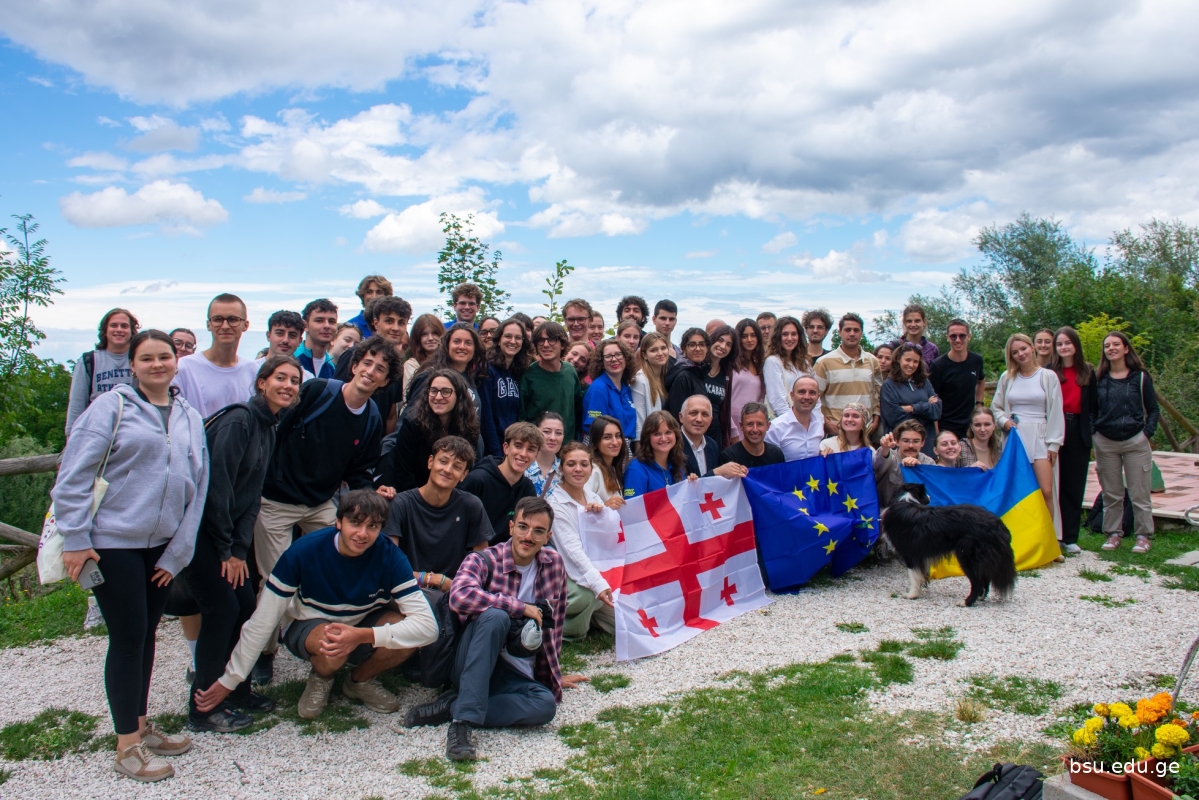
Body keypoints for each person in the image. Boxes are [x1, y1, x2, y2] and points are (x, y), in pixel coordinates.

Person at [54, 330, 209, 783]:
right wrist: (76, 538)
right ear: (133, 365)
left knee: (146, 636)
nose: (157, 364)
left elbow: (198, 486)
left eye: (165, 357)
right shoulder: (112, 407)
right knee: (127, 637)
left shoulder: (188, 415)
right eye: (147, 358)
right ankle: (126, 747)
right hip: (112, 542)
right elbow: (74, 474)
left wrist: (178, 552)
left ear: (176, 361)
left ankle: (139, 726)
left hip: (161, 547)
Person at [194, 491, 438, 722]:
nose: (362, 533)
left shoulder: (389, 555)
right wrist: (230, 680)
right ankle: (322, 677)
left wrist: (361, 635)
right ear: (338, 522)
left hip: (361, 624)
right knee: (332, 641)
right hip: (310, 624)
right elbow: (263, 620)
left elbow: (428, 628)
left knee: (409, 631)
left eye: (372, 526)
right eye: (355, 523)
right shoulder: (304, 551)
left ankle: (359, 680)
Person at [251, 337, 397, 683]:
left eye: (380, 369)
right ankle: (263, 652)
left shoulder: (371, 417)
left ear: (385, 381)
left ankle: (325, 640)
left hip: (319, 503)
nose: (371, 371)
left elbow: (359, 471)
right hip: (277, 499)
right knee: (274, 580)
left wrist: (371, 493)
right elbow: (278, 431)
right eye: (367, 363)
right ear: (355, 365)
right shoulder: (318, 391)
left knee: (338, 564)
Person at [183, 356, 301, 733]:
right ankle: (203, 707)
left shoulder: (268, 427)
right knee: (221, 610)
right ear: (261, 382)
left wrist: (238, 550)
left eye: (294, 380)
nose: (288, 385)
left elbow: (251, 497)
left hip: (227, 538)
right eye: (280, 378)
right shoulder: (240, 420)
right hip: (201, 533)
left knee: (247, 608)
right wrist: (226, 551)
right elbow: (215, 491)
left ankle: (236, 690)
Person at [403, 498, 569, 762]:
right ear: (511, 527)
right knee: (496, 616)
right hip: (470, 658)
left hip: (513, 670)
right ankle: (461, 725)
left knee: (545, 705)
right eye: (523, 527)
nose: (529, 536)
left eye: (538, 531)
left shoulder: (554, 564)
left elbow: (554, 627)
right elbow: (459, 596)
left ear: (548, 537)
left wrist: (554, 675)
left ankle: (454, 705)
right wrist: (518, 607)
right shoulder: (483, 559)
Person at [381, 436, 492, 586]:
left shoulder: (472, 505)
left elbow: (482, 564)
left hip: (454, 590)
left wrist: (455, 586)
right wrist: (430, 579)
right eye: (443, 461)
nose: (447, 470)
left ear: (464, 475)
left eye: (457, 467)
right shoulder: (399, 504)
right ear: (430, 462)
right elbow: (388, 565)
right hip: (407, 587)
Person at [991, 332, 1065, 541]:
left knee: (1046, 491)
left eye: (1023, 349)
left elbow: (1056, 411)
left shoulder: (1047, 376)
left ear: (1032, 348)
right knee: (1019, 490)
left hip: (1041, 436)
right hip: (1015, 437)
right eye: (1015, 352)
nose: (1021, 354)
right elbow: (996, 407)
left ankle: (1049, 540)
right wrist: (1004, 421)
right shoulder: (1007, 377)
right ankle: (1022, 538)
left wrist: (1054, 444)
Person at [1091, 331, 1159, 555]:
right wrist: (1094, 433)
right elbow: (1091, 410)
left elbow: (1153, 409)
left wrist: (1146, 434)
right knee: (1111, 492)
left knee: (1139, 492)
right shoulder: (1098, 379)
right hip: (1105, 442)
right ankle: (1113, 533)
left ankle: (1143, 536)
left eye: (1116, 344)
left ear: (1126, 348)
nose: (1111, 348)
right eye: (1107, 345)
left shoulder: (1140, 378)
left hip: (1135, 441)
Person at [548, 443, 616, 640]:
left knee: (622, 621)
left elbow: (608, 542)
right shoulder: (555, 504)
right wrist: (598, 583)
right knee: (589, 594)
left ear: (591, 468)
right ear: (561, 468)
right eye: (571, 464)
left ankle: (591, 616)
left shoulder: (593, 497)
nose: (578, 469)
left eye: (584, 464)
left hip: (595, 565)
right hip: (566, 573)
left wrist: (602, 516)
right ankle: (566, 630)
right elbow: (572, 552)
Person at [379, 369, 480, 492]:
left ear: (459, 396)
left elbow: (466, 470)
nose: (438, 397)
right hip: (413, 492)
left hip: (451, 493)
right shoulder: (413, 423)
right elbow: (403, 471)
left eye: (446, 392)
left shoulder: (469, 427)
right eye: (433, 391)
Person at [174, 294, 260, 418]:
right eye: (218, 319)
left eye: (233, 319)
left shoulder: (254, 371)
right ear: (208, 324)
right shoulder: (184, 368)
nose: (225, 326)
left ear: (245, 325)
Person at [1053, 326, 1096, 555]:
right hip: (1055, 428)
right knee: (1054, 484)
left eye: (1067, 343)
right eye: (1059, 344)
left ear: (1075, 345)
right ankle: (1053, 535)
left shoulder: (1088, 371)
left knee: (1074, 484)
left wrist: (1090, 429)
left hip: (1078, 429)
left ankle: (1070, 537)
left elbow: (1094, 406)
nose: (1064, 347)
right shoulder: (1050, 371)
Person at [461, 422, 542, 545]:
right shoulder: (477, 480)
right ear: (506, 448)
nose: (523, 454)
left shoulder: (527, 488)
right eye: (518, 446)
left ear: (536, 455)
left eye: (531, 449)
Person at [67, 308, 139, 439]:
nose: (119, 330)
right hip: (96, 431)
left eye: (124, 326)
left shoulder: (140, 360)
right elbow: (77, 404)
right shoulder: (89, 361)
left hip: (135, 431)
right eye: (114, 325)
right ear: (105, 330)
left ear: (132, 331)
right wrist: (71, 437)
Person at [813, 313, 881, 436]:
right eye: (848, 330)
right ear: (840, 332)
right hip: (836, 432)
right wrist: (827, 424)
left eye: (856, 330)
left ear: (861, 333)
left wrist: (875, 422)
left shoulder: (872, 361)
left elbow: (877, 396)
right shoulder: (824, 362)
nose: (852, 334)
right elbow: (813, 398)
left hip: (865, 433)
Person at [521, 321, 584, 443]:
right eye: (541, 340)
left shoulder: (570, 372)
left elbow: (577, 409)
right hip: (537, 445)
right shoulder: (528, 375)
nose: (546, 345)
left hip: (567, 445)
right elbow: (521, 418)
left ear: (562, 344)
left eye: (552, 340)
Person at [480, 318, 533, 458]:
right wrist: (496, 452)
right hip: (492, 450)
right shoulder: (486, 370)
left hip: (511, 447)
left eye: (518, 338)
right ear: (498, 340)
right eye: (508, 336)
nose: (513, 341)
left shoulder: (518, 372)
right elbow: (485, 415)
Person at [407, 323, 485, 415]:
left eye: (468, 343)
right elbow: (409, 417)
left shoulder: (473, 378)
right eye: (456, 341)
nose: (462, 347)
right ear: (447, 346)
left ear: (475, 349)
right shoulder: (430, 377)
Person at [879, 343, 941, 456]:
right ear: (899, 359)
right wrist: (926, 410)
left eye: (915, 361)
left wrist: (912, 408)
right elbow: (894, 417)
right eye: (907, 360)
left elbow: (936, 411)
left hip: (926, 445)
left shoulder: (924, 382)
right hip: (901, 447)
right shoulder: (888, 385)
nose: (911, 365)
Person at [928, 319, 985, 439]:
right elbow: (933, 399)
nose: (958, 340)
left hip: (970, 424)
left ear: (969, 337)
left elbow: (981, 380)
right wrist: (936, 432)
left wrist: (979, 404)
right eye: (953, 336)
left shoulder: (976, 360)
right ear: (947, 338)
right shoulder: (938, 365)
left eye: (962, 336)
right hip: (946, 425)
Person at [678, 395, 748, 479]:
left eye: (705, 414)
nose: (699, 419)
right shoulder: (673, 444)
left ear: (711, 420)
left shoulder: (712, 445)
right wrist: (716, 472)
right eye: (693, 413)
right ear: (681, 417)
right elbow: (680, 485)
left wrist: (735, 471)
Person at [582, 338, 637, 442]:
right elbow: (595, 428)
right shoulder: (599, 389)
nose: (614, 359)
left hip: (624, 444)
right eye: (608, 356)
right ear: (601, 362)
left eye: (618, 354)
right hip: (604, 444)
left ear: (626, 358)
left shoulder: (625, 387)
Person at [624, 410, 688, 497]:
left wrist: (691, 485)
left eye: (668, 432)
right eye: (657, 434)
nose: (664, 438)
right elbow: (633, 504)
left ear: (676, 435)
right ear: (647, 437)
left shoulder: (677, 464)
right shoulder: (636, 468)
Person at [873, 421, 936, 506]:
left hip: (920, 512)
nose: (911, 445)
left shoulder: (928, 462)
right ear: (897, 441)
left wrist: (919, 469)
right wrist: (884, 448)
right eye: (906, 441)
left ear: (922, 443)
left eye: (916, 441)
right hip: (888, 511)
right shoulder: (890, 457)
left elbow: (934, 491)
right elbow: (878, 464)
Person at [664, 328, 714, 436]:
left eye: (702, 344)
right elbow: (677, 415)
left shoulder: (699, 371)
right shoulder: (683, 376)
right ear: (683, 349)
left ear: (707, 348)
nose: (697, 349)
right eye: (692, 345)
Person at [765, 375, 825, 461]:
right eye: (802, 392)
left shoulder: (818, 424)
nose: (807, 397)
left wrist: (822, 453)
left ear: (818, 397)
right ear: (792, 395)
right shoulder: (776, 427)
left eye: (812, 393)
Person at [763, 315, 810, 418]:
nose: (789, 338)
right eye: (785, 334)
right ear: (778, 337)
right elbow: (777, 400)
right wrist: (792, 422)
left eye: (793, 334)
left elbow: (813, 395)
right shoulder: (773, 362)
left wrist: (816, 421)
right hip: (785, 422)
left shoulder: (804, 363)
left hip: (806, 420)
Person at [728, 319, 766, 445]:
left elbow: (760, 399)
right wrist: (732, 429)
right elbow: (725, 399)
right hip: (732, 424)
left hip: (752, 424)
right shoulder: (731, 364)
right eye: (744, 336)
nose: (749, 340)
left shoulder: (759, 365)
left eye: (753, 335)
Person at [254, 310, 315, 384]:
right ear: (268, 335)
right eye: (280, 333)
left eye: (292, 335)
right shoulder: (250, 370)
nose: (285, 340)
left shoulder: (307, 378)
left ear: (300, 340)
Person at [719, 403, 785, 468]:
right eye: (750, 424)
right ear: (741, 426)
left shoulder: (776, 454)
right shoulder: (729, 457)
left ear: (768, 426)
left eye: (759, 424)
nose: (755, 430)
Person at [703, 324, 737, 447]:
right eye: (720, 340)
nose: (723, 346)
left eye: (729, 344)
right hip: (693, 431)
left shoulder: (726, 373)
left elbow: (724, 409)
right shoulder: (696, 367)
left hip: (714, 436)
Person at [631, 331, 670, 436]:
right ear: (644, 355)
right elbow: (639, 423)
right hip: (647, 441)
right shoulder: (640, 380)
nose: (660, 353)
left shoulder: (666, 377)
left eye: (663, 348)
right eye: (653, 350)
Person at [585, 415, 629, 507]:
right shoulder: (592, 470)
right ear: (595, 443)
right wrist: (605, 506)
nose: (615, 442)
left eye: (618, 436)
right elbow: (584, 508)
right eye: (607, 437)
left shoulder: (612, 467)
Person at [294, 299, 339, 379]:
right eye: (319, 321)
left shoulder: (332, 367)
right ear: (305, 326)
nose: (327, 326)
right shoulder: (292, 357)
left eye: (332, 321)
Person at [404, 314, 445, 401]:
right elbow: (410, 396)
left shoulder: (449, 361)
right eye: (424, 334)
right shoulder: (411, 364)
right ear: (417, 338)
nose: (430, 338)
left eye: (435, 333)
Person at [526, 411, 565, 497]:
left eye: (558, 433)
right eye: (547, 431)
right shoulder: (523, 465)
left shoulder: (566, 470)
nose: (553, 438)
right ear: (536, 433)